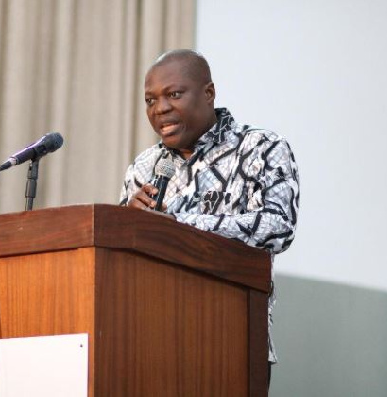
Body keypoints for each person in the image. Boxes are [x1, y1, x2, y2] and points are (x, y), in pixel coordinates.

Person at [119, 49, 300, 385]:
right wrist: (128, 225)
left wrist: (178, 225)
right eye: (149, 100)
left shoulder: (261, 148)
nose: (160, 109)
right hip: (150, 344)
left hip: (232, 338)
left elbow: (278, 227)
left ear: (209, 93)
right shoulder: (144, 166)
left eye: (174, 94)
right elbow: (122, 266)